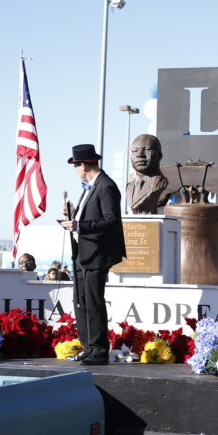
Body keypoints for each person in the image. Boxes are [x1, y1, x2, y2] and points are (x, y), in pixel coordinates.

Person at [59, 144, 126, 366]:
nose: (75, 170)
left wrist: (79, 225)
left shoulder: (106, 186)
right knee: (81, 301)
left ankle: (98, 350)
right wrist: (72, 214)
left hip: (98, 253)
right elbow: (91, 216)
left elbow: (111, 220)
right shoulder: (91, 187)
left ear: (84, 165)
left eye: (75, 165)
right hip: (85, 253)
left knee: (94, 301)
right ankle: (89, 347)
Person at [125, 133, 170, 214]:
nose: (140, 154)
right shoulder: (129, 187)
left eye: (147, 149)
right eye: (135, 150)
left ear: (159, 155)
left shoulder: (160, 183)